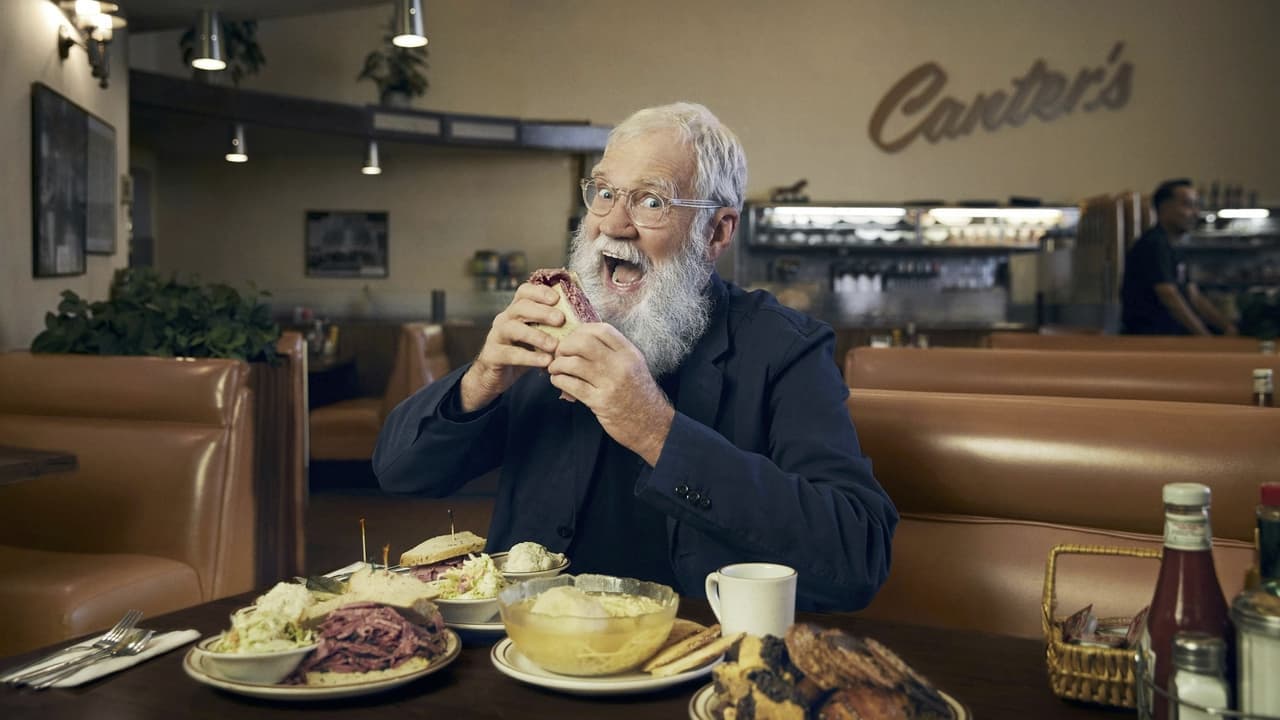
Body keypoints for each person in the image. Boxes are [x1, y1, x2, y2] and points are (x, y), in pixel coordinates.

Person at [374, 102, 897, 611]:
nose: (613, 225)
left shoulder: (785, 348)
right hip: (523, 648)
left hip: (691, 657)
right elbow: (399, 473)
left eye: (652, 202)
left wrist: (655, 430)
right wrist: (483, 379)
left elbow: (856, 558)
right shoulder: (548, 327)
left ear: (718, 230)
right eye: (603, 193)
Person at [1121, 179, 1238, 335]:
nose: (1195, 213)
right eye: (1188, 205)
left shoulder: (1174, 247)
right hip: (1152, 339)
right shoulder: (1153, 244)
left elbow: (1194, 296)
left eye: (1197, 205)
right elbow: (1169, 296)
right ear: (1164, 207)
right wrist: (1204, 336)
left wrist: (1227, 327)